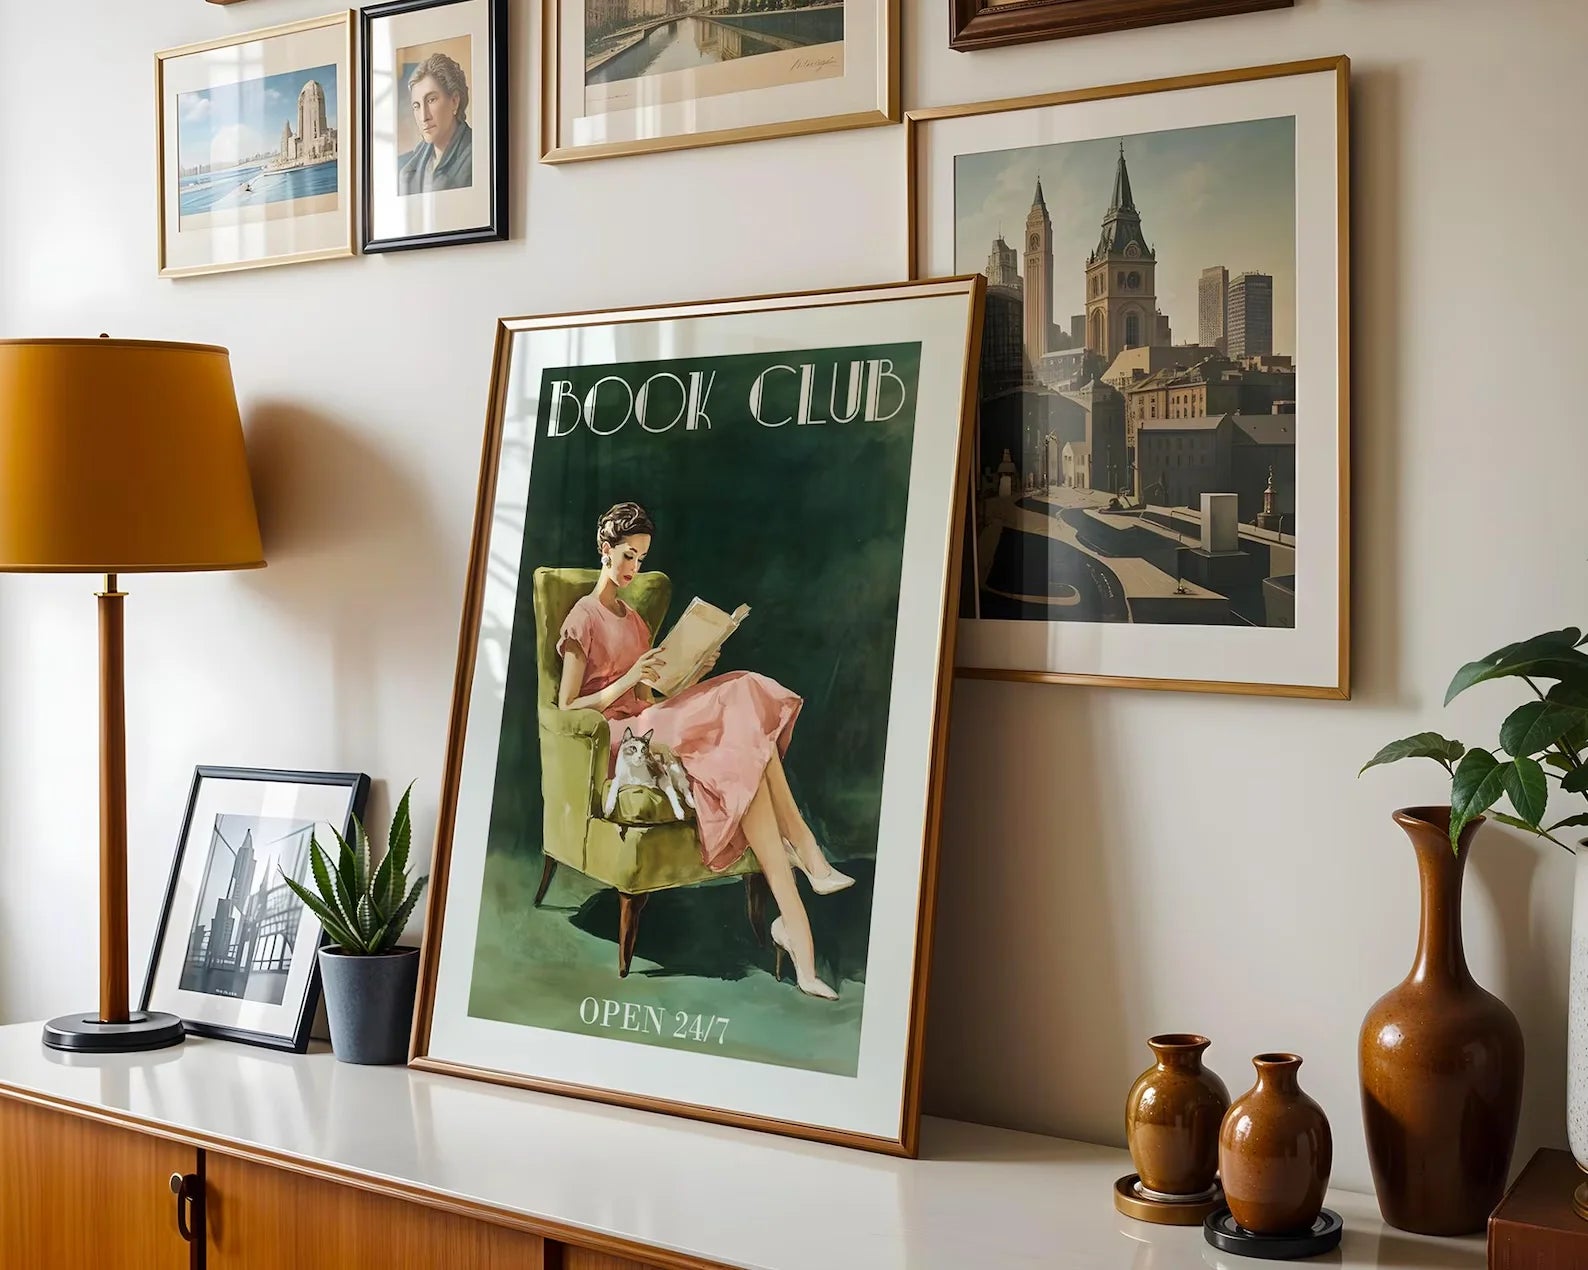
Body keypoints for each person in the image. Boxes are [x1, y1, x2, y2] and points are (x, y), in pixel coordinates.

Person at [556, 502, 852, 1000]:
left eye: (641, 559)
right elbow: (567, 707)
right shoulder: (582, 616)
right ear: (605, 549)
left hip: (650, 722)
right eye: (628, 556)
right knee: (744, 701)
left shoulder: (636, 622)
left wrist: (695, 669)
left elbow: (653, 698)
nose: (633, 568)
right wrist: (628, 679)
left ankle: (800, 943)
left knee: (748, 735)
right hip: (617, 740)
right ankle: (807, 853)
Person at [398, 52, 473, 195]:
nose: (423, 117)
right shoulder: (410, 165)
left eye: (431, 100)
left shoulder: (476, 156)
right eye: (416, 106)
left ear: (454, 101)